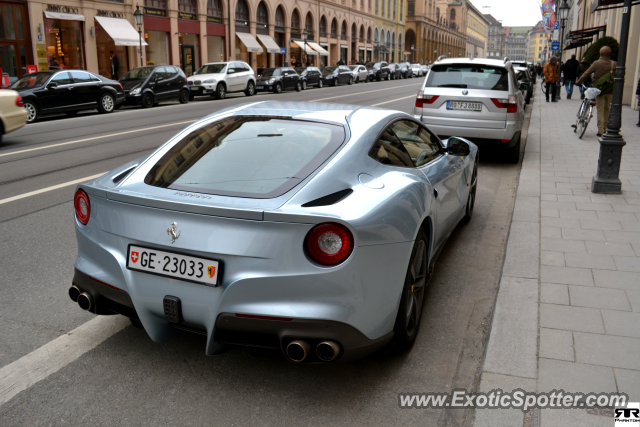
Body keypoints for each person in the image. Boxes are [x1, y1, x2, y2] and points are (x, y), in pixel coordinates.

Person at [576, 46, 616, 137]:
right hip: (610, 90)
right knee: (607, 109)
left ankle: (601, 130)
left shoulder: (596, 63)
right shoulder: (614, 64)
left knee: (600, 110)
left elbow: (586, 73)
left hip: (599, 90)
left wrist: (578, 81)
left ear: (600, 53)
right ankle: (605, 129)